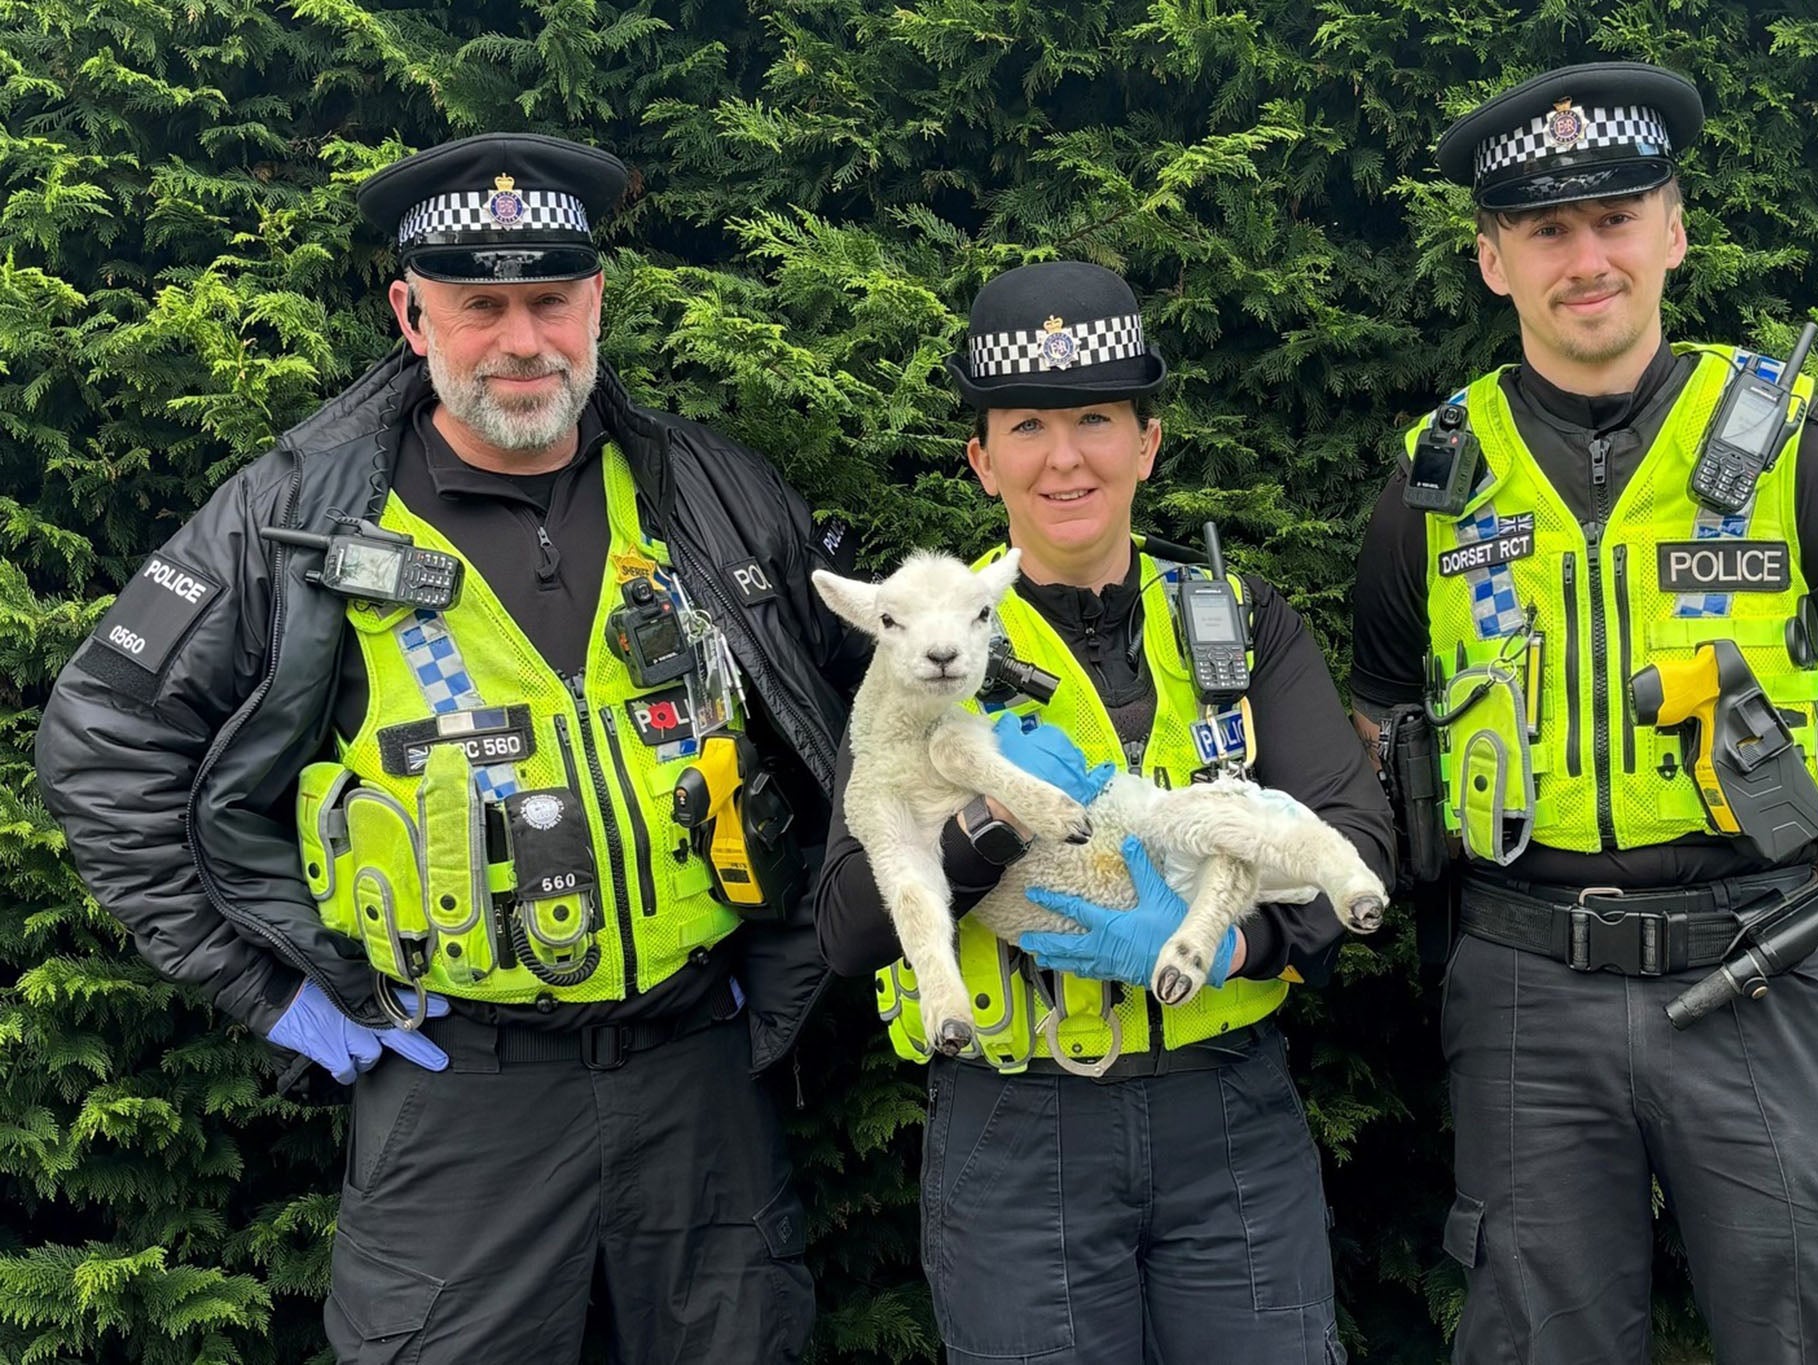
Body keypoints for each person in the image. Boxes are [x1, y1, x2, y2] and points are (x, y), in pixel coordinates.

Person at [34, 132, 867, 1363]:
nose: (522, 343)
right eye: (481, 306)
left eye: (550, 300)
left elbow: (852, 726)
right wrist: (271, 992)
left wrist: (799, 957)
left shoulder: (713, 489)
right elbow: (102, 744)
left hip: (701, 1079)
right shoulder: (290, 515)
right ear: (411, 314)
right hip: (452, 1096)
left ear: (596, 302)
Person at [1349, 62, 1818, 1364]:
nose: (1587, 258)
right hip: (1525, 990)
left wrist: (1800, 918)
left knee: (1812, 1327)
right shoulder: (1430, 489)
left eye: (1618, 217)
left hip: (1758, 966)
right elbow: (1378, 745)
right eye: (1546, 230)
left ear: (1674, 233)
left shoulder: (1801, 456)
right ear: (1492, 259)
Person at [815, 260, 1397, 1364]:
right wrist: (990, 822)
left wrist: (1237, 944)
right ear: (982, 460)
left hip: (1226, 1113)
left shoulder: (1237, 620)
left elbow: (1356, 842)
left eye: (1095, 418)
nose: (1064, 456)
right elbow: (844, 926)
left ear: (1147, 442)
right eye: (1027, 425)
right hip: (1016, 1121)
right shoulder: (918, 647)